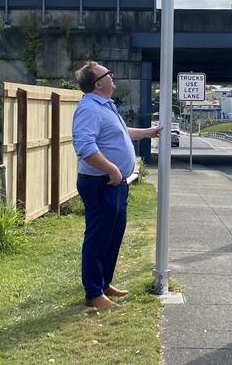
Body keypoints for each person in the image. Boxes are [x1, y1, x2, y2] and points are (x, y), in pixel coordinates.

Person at [72, 61, 161, 308]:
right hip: (100, 183)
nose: (113, 77)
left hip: (116, 184)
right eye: (108, 74)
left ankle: (103, 283)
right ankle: (93, 293)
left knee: (113, 235)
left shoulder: (106, 106)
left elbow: (121, 132)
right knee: (98, 237)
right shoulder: (89, 109)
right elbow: (85, 147)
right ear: (98, 83)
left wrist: (148, 132)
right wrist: (111, 168)